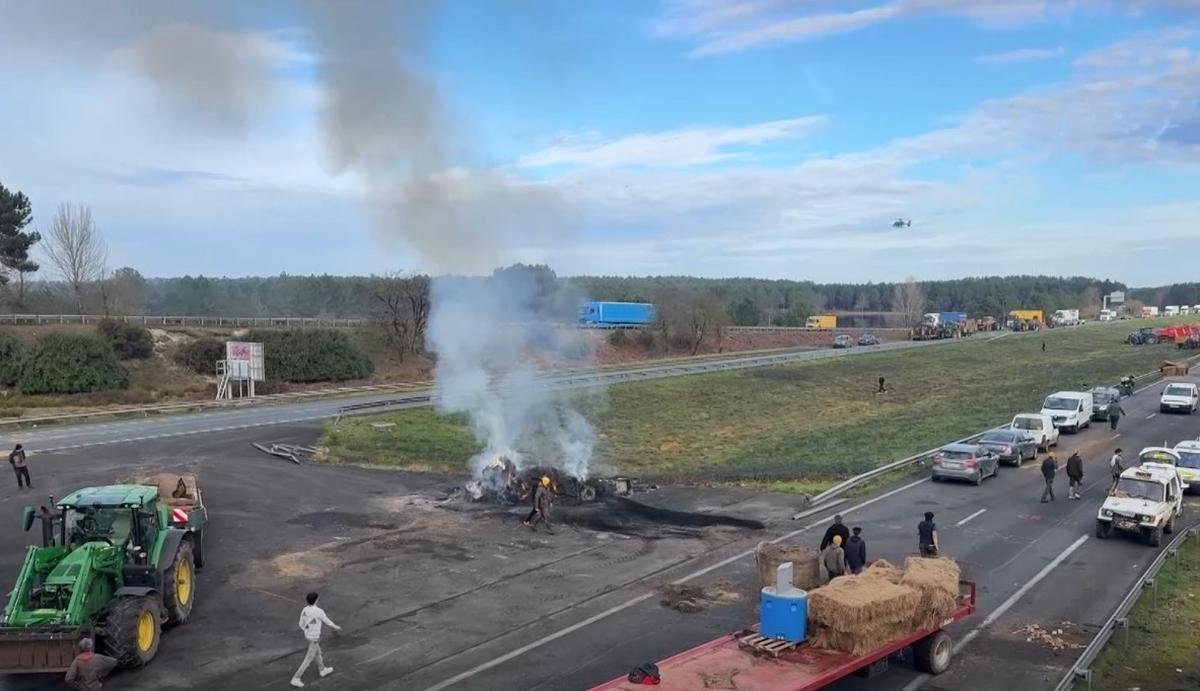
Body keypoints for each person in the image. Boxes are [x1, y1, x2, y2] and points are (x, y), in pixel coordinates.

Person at [292, 591, 341, 688]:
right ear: (316, 600)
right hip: (314, 638)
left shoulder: (304, 610)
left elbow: (301, 624)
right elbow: (327, 621)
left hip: (308, 636)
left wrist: (307, 630)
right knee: (309, 658)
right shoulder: (319, 611)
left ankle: (322, 669)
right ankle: (296, 678)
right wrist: (336, 627)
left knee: (317, 653)